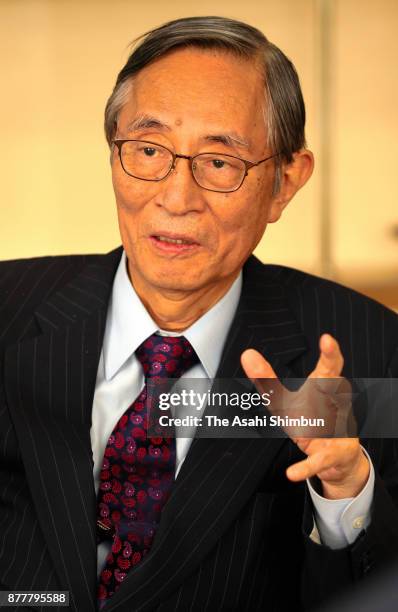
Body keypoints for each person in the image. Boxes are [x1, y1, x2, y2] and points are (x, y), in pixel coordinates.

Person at [0, 15, 397, 612]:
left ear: (286, 182)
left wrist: (346, 493)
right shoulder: (9, 311)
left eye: (219, 162)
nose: (176, 197)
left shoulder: (370, 350)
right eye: (149, 150)